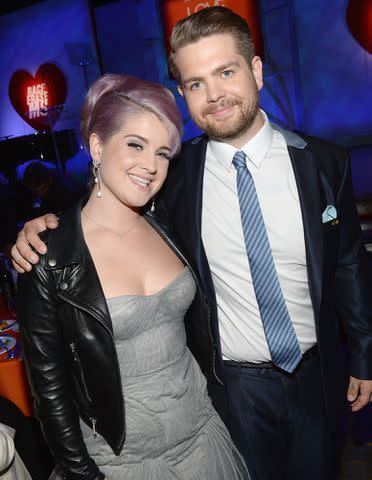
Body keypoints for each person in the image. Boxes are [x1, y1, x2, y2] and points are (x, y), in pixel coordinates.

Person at [12, 7, 372, 480]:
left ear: (256, 70)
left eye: (226, 71)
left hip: (319, 372)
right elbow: (115, 192)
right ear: (183, 92)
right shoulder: (177, 178)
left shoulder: (324, 163)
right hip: (231, 386)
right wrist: (44, 226)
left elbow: (347, 261)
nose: (215, 94)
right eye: (196, 82)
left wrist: (364, 353)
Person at [15, 73, 250, 480]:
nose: (151, 166)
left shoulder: (168, 219)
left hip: (200, 437)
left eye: (162, 153)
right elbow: (49, 387)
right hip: (121, 461)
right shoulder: (49, 257)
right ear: (97, 145)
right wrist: (78, 470)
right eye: (135, 145)